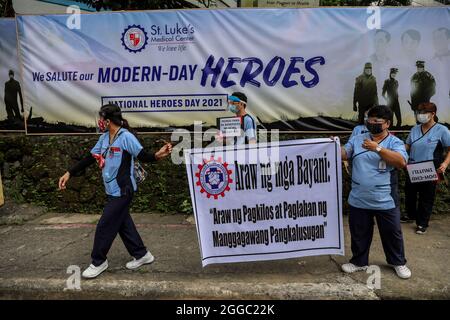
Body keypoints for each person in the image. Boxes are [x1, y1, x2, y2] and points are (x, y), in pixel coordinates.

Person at [58, 103, 172, 279]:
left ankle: (98, 261)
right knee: (122, 223)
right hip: (112, 190)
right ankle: (142, 254)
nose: (99, 122)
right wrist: (69, 173)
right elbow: (89, 158)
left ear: (108, 120)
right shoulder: (104, 138)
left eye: (101, 119)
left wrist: (158, 155)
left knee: (105, 225)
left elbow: (143, 156)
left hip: (124, 190)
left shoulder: (126, 137)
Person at [340, 105, 411, 279]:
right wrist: (332, 145)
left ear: (387, 123)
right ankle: (358, 261)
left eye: (376, 121)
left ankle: (398, 262)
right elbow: (344, 153)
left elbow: (401, 162)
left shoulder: (395, 142)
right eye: (369, 120)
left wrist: (377, 149)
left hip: (384, 198)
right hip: (359, 197)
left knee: (392, 233)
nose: (371, 123)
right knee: (359, 232)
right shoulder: (358, 138)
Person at [401, 102, 450, 234]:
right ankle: (410, 215)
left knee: (426, 196)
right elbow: (408, 145)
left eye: (423, 113)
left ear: (433, 114)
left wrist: (445, 164)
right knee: (410, 194)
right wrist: (397, 149)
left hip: (430, 167)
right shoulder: (415, 129)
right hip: (412, 165)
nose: (420, 115)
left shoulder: (442, 130)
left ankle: (422, 223)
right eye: (419, 113)